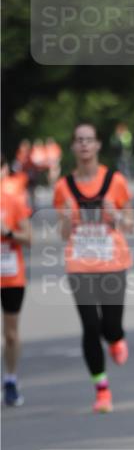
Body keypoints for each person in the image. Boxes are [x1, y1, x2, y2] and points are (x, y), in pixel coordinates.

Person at [53, 124, 133, 413]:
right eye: (79, 140)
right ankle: (101, 390)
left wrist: (115, 216)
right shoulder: (64, 186)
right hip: (80, 264)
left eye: (89, 140)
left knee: (110, 325)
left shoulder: (115, 180)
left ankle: (115, 339)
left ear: (98, 145)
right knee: (89, 326)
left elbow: (131, 224)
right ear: (73, 147)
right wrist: (65, 219)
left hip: (113, 261)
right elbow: (63, 233)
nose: (84, 145)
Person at [1, 153, 32, 407]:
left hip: (10, 275)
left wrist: (8, 232)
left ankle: (10, 380)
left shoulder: (13, 201)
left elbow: (29, 238)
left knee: (10, 335)